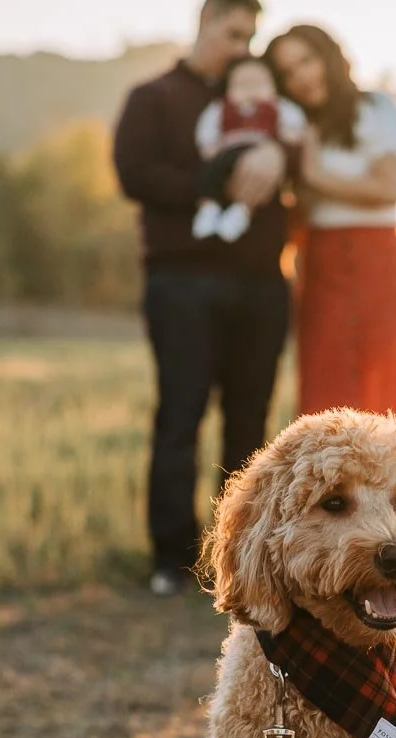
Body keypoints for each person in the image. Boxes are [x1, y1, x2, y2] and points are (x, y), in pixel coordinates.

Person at [112, 0, 292, 597]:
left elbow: (306, 142)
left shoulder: (266, 100)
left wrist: (275, 154)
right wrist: (215, 178)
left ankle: (242, 563)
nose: (243, 47)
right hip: (182, 279)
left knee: (251, 422)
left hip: (263, 281)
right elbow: (134, 175)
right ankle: (172, 560)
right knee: (180, 417)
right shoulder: (154, 97)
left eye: (251, 36)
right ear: (205, 23)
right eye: (234, 33)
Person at [267, 24, 396, 430]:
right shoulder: (297, 126)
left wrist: (311, 176)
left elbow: (385, 189)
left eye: (306, 60)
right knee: (324, 389)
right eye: (287, 73)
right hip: (321, 264)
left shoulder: (379, 109)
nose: (300, 77)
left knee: (386, 385)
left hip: (379, 258)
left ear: (330, 56)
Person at [193, 56, 307, 243]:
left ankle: (242, 211)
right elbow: (207, 128)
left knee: (255, 186)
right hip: (227, 152)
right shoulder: (221, 109)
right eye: (243, 84)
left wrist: (289, 137)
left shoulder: (277, 107)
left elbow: (294, 123)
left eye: (257, 82)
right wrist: (208, 146)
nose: (251, 89)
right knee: (208, 176)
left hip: (260, 150)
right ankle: (208, 209)